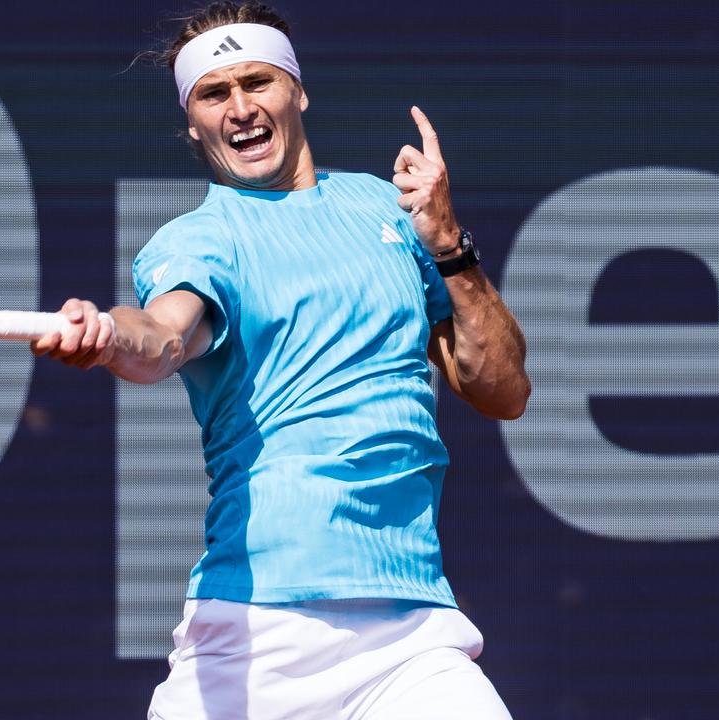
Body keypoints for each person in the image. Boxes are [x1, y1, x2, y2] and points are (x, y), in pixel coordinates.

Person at [34, 2, 530, 717]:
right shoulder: (199, 240)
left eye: (257, 82)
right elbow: (163, 336)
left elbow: (504, 391)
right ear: (193, 120)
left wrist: (448, 242)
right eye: (213, 93)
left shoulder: (390, 212)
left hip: (412, 638)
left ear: (296, 91)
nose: (239, 108)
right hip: (254, 631)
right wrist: (109, 333)